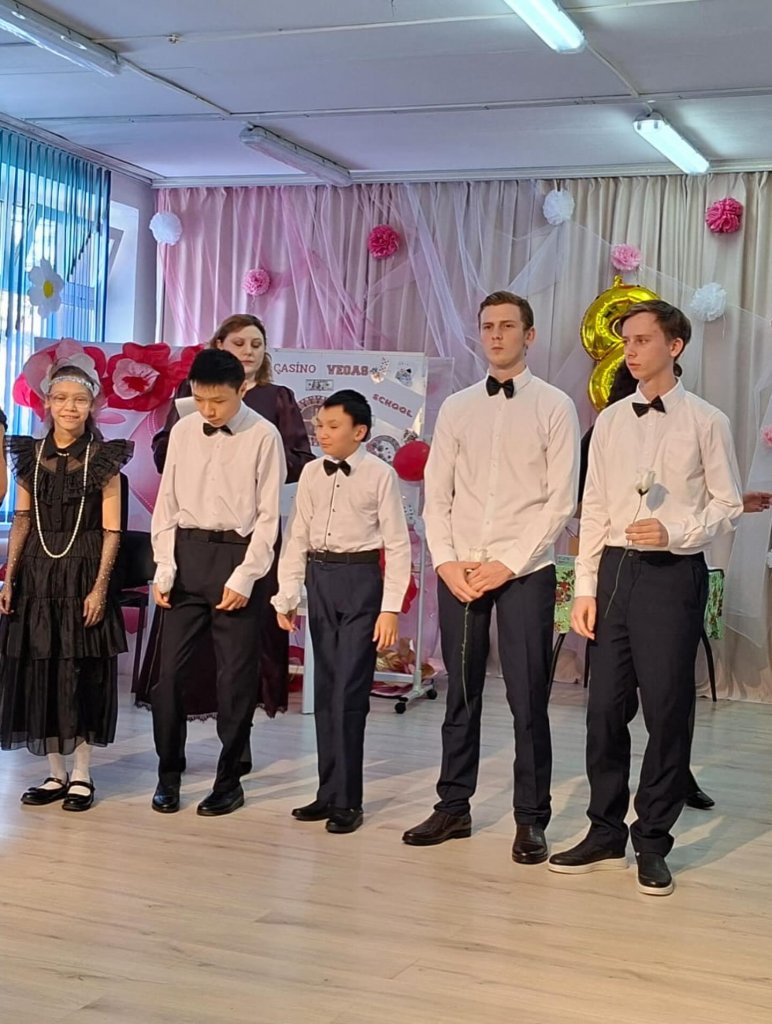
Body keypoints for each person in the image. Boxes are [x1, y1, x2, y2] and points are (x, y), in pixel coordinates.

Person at [549, 300, 744, 896]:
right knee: (604, 710)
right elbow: (594, 507)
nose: (629, 351)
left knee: (667, 710)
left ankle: (653, 839)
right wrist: (584, 589)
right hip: (613, 574)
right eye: (626, 341)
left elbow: (728, 504)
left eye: (641, 340)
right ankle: (605, 829)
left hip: (672, 576)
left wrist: (676, 532)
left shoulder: (707, 421)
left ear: (674, 346)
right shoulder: (611, 421)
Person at [402, 291, 580, 863]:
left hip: (526, 569)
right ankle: (453, 806)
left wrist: (509, 561)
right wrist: (446, 561)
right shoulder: (457, 408)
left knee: (528, 698)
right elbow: (437, 494)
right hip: (461, 568)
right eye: (487, 326)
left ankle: (531, 818)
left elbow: (561, 501)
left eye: (507, 326)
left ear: (529, 335)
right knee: (461, 693)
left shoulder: (554, 405)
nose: (496, 335)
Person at [135, 313, 313, 723]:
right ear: (219, 346)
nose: (249, 351)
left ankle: (235, 744)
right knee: (175, 666)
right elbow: (167, 482)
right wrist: (165, 563)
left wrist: (255, 461)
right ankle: (171, 753)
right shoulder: (190, 406)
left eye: (256, 344)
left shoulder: (275, 405)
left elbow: (295, 466)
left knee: (239, 662)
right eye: (239, 343)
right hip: (190, 545)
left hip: (244, 541)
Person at [150, 348, 285, 816]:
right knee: (169, 677)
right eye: (201, 399)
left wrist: (247, 576)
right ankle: (169, 772)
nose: (208, 410)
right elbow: (166, 504)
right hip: (186, 556)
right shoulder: (184, 430)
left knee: (235, 678)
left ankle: (229, 780)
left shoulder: (264, 435)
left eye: (219, 401)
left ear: (242, 389)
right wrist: (164, 566)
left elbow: (269, 516)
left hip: (237, 556)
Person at [272, 389, 411, 834]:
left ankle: (349, 800)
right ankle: (327, 791)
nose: (323, 434)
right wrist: (287, 594)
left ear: (360, 431)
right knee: (325, 688)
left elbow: (398, 544)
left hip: (360, 580)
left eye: (333, 427)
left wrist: (390, 609)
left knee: (349, 692)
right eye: (320, 426)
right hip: (320, 578)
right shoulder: (313, 472)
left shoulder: (380, 475)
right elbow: (298, 534)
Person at [0, 359, 133, 811]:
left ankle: (82, 773)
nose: (69, 407)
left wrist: (99, 588)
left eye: (78, 399)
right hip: (38, 571)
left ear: (92, 404)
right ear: (48, 403)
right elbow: (22, 519)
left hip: (83, 569)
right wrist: (10, 576)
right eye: (60, 399)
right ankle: (55, 772)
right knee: (40, 667)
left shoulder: (105, 458)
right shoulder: (29, 454)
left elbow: (112, 531)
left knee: (81, 671)